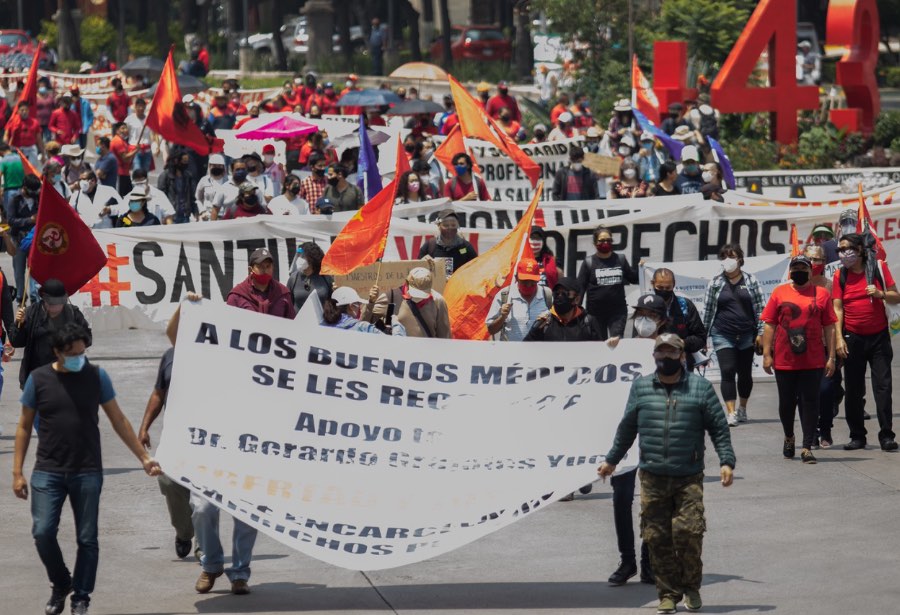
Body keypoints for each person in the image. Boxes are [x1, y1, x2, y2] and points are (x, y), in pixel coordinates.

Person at [12, 322, 161, 615]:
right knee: (42, 532)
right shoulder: (38, 380)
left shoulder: (96, 377)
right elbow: (23, 426)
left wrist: (143, 458)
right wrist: (17, 472)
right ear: (58, 352)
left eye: (82, 352)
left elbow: (118, 420)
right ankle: (61, 582)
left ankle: (81, 596)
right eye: (73, 354)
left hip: (87, 471)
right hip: (48, 471)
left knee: (87, 538)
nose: (80, 358)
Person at [598, 333, 735, 615]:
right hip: (652, 477)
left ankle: (691, 588)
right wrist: (611, 460)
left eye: (671, 353)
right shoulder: (641, 388)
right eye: (661, 353)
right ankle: (668, 594)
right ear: (654, 356)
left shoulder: (700, 388)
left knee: (688, 533)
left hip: (688, 476)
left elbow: (719, 428)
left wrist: (726, 461)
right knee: (657, 537)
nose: (666, 358)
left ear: (682, 356)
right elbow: (627, 428)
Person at [193, 248, 295, 596]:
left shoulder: (283, 294)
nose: (265, 269)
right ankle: (210, 565)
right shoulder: (236, 297)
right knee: (203, 507)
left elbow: (297, 336)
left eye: (269, 264)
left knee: (248, 504)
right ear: (250, 268)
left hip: (267, 403)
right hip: (226, 421)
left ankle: (240, 573)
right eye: (260, 265)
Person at [761, 254, 836, 464]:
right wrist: (767, 354)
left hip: (812, 358)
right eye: (796, 268)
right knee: (786, 403)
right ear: (790, 271)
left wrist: (831, 356)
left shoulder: (821, 294)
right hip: (785, 358)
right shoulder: (779, 292)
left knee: (811, 402)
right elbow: (769, 324)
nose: (799, 272)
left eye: (804, 268)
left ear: (811, 271)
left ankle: (806, 446)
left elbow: (829, 326)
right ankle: (789, 436)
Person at [832, 233, 899, 451]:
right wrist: (840, 338)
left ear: (860, 250)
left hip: (879, 338)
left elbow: (896, 296)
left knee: (883, 387)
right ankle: (857, 436)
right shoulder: (840, 275)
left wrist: (880, 293)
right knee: (853, 389)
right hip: (853, 338)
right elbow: (838, 308)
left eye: (847, 248)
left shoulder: (878, 268)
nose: (843, 254)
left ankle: (886, 435)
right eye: (840, 250)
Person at [137, 347, 194, 559]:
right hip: (176, 434)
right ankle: (184, 531)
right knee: (168, 481)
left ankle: (205, 547)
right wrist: (144, 428)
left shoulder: (221, 352)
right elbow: (159, 392)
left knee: (204, 494)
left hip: (209, 437)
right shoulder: (170, 355)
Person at [702, 243, 765, 427]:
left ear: (740, 259)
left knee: (744, 374)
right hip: (722, 333)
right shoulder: (715, 283)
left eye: (732, 256)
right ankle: (730, 412)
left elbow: (762, 308)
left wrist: (761, 332)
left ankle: (742, 408)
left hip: (747, 334)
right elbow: (707, 311)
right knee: (727, 370)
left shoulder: (751, 281)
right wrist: (702, 337)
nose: (728, 260)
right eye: (724, 257)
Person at [576, 225, 638, 343]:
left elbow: (633, 278)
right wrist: (577, 311)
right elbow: (581, 288)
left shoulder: (620, 259)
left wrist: (642, 269)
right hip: (595, 314)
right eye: (602, 240)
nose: (605, 242)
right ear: (595, 243)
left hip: (617, 312)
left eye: (608, 240)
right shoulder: (588, 262)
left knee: (616, 342)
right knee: (599, 344)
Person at [364, 260, 452, 339]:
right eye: (416, 292)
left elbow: (445, 338)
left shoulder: (438, 301)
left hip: (425, 354)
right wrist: (371, 302)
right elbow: (364, 324)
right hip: (399, 354)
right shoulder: (391, 297)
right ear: (406, 283)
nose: (419, 298)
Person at [806, 243, 840, 448]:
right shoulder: (795, 285)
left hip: (827, 346)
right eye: (809, 259)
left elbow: (835, 317)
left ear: (824, 262)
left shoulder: (830, 285)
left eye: (817, 259)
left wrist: (837, 345)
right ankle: (813, 431)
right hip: (804, 348)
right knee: (808, 393)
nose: (813, 263)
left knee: (827, 390)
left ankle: (826, 428)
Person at [650, 268, 707, 369]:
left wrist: (683, 342)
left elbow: (700, 337)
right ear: (653, 283)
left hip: (682, 364)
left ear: (674, 284)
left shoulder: (685, 306)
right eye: (660, 287)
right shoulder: (646, 307)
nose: (664, 291)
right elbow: (637, 339)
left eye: (668, 288)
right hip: (653, 363)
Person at [486, 259, 553, 342]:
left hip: (539, 353)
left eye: (532, 281)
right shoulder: (505, 295)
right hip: (512, 353)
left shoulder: (547, 294)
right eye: (524, 281)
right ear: (516, 278)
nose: (528, 285)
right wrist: (502, 317)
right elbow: (491, 330)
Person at [524, 277, 603, 342]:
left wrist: (611, 345)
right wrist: (535, 331)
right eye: (557, 293)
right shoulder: (544, 322)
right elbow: (526, 348)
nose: (560, 296)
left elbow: (600, 352)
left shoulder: (588, 323)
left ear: (577, 299)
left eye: (565, 293)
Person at [8, 174, 42, 301]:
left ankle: (35, 298)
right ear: (25, 187)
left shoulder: (38, 198)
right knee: (19, 272)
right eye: (31, 190)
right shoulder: (14, 199)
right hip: (18, 240)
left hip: (34, 240)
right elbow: (11, 220)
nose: (34, 193)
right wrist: (30, 220)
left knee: (34, 270)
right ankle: (20, 298)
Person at [418, 209, 478, 275]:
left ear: (457, 226)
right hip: (437, 284)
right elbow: (418, 269)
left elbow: (476, 269)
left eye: (453, 225)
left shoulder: (466, 247)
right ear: (439, 226)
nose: (450, 228)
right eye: (446, 225)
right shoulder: (429, 246)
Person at [323, 287, 406, 335]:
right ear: (351, 306)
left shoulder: (323, 328)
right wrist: (397, 324)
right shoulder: (363, 328)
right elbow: (395, 346)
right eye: (358, 304)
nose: (360, 307)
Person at [287, 242, 333, 312]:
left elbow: (333, 302)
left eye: (303, 256)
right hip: (299, 322)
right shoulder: (293, 278)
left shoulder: (326, 278)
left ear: (312, 259)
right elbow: (288, 306)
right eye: (299, 255)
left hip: (322, 322)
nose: (299, 258)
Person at [156, 152, 197, 223]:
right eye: (184, 161)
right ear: (176, 161)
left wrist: (195, 212)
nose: (186, 163)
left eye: (187, 161)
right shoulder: (165, 176)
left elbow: (192, 197)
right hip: (171, 216)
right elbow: (160, 197)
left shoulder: (188, 176)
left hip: (185, 216)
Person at [5, 102, 44, 169]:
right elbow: (6, 137)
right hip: (17, 150)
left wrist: (43, 153)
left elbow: (39, 139)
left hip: (31, 150)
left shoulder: (34, 122)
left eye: (26, 110)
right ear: (18, 111)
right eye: (22, 110)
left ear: (28, 111)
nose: (24, 112)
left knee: (32, 169)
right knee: (18, 170)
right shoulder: (12, 122)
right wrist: (7, 149)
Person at [195, 154, 228, 221]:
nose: (217, 167)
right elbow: (198, 199)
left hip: (224, 217)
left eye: (219, 166)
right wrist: (202, 211)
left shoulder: (228, 181)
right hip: (207, 217)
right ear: (209, 166)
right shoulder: (204, 180)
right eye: (214, 165)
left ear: (223, 166)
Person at [124, 97, 153, 173]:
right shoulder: (129, 119)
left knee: (145, 173)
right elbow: (124, 134)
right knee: (137, 171)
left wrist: (157, 146)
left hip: (147, 150)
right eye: (139, 106)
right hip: (135, 150)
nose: (141, 108)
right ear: (135, 107)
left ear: (145, 107)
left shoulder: (149, 119)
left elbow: (154, 133)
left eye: (142, 106)